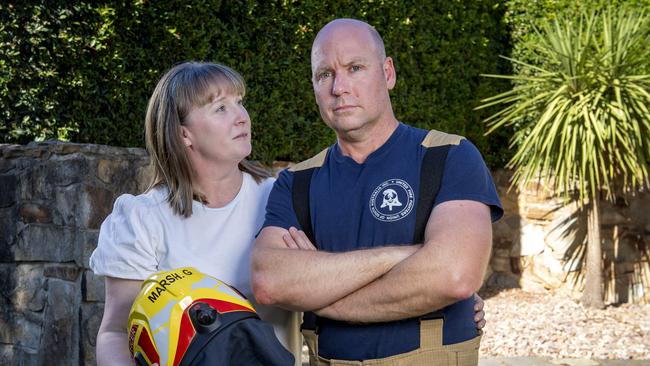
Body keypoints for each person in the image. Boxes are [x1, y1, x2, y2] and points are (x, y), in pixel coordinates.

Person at [251, 18, 503, 365]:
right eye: (325, 75)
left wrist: (316, 294)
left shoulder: (449, 156)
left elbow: (455, 275)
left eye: (355, 68)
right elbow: (270, 281)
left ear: (387, 73)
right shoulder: (298, 181)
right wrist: (401, 256)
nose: (339, 87)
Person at [89, 62, 302, 365]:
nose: (242, 117)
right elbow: (115, 332)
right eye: (220, 108)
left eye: (239, 103)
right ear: (184, 134)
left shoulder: (279, 197)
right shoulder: (140, 220)